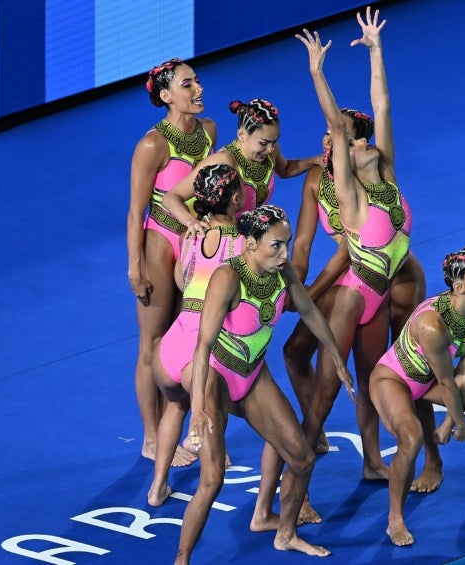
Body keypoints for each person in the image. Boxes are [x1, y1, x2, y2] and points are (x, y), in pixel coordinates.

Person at [177, 205, 354, 562]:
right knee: (212, 481)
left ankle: (285, 534)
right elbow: (202, 346)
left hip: (254, 374)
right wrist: (197, 409)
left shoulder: (281, 270)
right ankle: (182, 559)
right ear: (250, 243)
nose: (285, 253)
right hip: (217, 378)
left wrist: (336, 357)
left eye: (287, 244)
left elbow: (308, 310)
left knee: (303, 458)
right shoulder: (227, 278)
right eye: (276, 245)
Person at [279, 110, 440, 493]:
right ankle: (311, 440)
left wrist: (306, 297)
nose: (328, 141)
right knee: (297, 353)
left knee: (405, 374)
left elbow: (347, 255)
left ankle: (425, 459)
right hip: (353, 279)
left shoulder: (364, 183)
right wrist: (295, 285)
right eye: (329, 133)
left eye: (343, 137)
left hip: (392, 279)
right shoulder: (318, 180)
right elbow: (301, 244)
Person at [291, 8, 411, 497]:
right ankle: (289, 488)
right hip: (352, 296)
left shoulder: (389, 177)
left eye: (365, 141)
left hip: (378, 297)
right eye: (354, 143)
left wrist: (376, 51)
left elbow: (381, 106)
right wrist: (318, 73)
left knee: (369, 378)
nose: (362, 143)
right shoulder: (349, 194)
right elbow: (339, 129)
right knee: (324, 395)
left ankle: (372, 462)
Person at [370, 247, 465, 546]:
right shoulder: (433, 325)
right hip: (395, 380)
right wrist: (460, 423)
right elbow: (446, 380)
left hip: (432, 381)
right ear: (459, 288)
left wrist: (447, 425)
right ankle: (395, 520)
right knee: (412, 438)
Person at [127, 58, 217, 466]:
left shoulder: (210, 131)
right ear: (166, 97)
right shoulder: (152, 145)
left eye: (196, 80)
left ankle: (174, 429)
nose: (197, 88)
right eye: (187, 84)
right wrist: (135, 267)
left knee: (182, 340)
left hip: (194, 244)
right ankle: (150, 438)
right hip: (160, 245)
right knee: (152, 343)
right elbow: (136, 211)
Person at [146, 163, 244, 507]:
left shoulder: (192, 235)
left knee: (174, 406)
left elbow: (181, 282)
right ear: (235, 200)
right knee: (210, 411)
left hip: (171, 347)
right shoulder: (244, 243)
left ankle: (158, 486)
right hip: (198, 351)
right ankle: (209, 484)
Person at [162, 98, 321, 233]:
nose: (271, 149)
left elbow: (285, 169)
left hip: (246, 238)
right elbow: (170, 198)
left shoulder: (269, 150)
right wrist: (191, 222)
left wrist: (314, 161)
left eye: (275, 141)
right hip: (219, 241)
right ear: (242, 135)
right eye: (264, 143)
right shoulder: (224, 161)